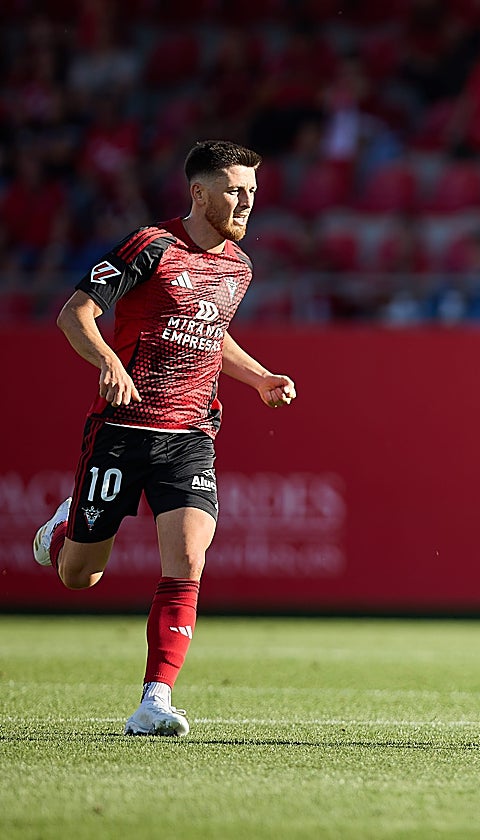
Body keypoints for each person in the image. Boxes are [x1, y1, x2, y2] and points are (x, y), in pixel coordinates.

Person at [31, 140, 297, 737]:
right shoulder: (149, 246)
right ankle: (67, 526)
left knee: (188, 560)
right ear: (199, 193)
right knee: (80, 574)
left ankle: (155, 700)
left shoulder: (240, 266)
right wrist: (108, 362)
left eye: (253, 191)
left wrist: (259, 379)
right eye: (234, 189)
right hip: (122, 430)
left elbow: (213, 334)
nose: (246, 201)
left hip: (190, 434)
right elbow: (74, 314)